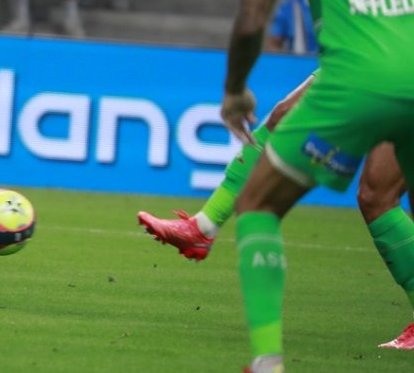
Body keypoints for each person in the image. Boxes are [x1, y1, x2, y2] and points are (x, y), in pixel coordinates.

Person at [216, 0, 414, 373]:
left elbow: (252, 18)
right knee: (382, 193)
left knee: (258, 206)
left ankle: (268, 372)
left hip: (355, 78)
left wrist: (235, 90)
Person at [138, 77, 414, 352]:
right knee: (287, 117)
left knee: (377, 196)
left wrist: (235, 88)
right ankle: (202, 226)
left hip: (393, 64)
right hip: (376, 58)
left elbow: (250, 31)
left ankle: (202, 228)